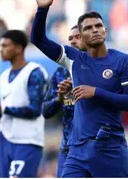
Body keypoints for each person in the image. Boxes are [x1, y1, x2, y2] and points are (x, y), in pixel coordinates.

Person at [31, 0, 128, 177]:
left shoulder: (123, 61)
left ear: (105, 30)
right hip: (77, 150)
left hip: (110, 148)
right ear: (81, 35)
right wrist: (42, 10)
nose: (95, 30)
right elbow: (38, 40)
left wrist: (95, 92)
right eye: (88, 28)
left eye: (99, 26)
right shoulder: (73, 59)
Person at [0, 30, 48, 178]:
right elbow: (6, 113)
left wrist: (2, 109)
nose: (1, 49)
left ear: (19, 48)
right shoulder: (3, 76)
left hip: (27, 141)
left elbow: (35, 110)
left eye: (5, 45)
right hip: (6, 140)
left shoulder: (34, 73)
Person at [41, 25, 86, 177]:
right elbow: (45, 111)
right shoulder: (61, 72)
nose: (73, 41)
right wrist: (59, 98)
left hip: (96, 146)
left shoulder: (99, 70)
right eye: (70, 39)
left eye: (78, 37)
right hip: (68, 147)